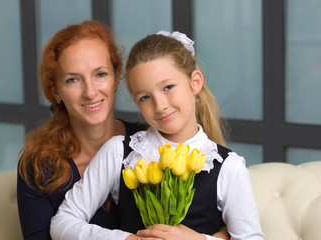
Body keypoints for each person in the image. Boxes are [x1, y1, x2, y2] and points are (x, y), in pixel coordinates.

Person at [50, 30, 264, 240]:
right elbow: (63, 222)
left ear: (195, 82)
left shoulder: (229, 167)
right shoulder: (118, 152)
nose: (160, 106)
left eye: (168, 87)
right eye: (145, 97)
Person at [17, 20, 146, 240]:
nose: (90, 91)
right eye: (73, 79)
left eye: (100, 74)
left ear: (115, 77)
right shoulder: (38, 166)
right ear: (56, 90)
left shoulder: (150, 142)